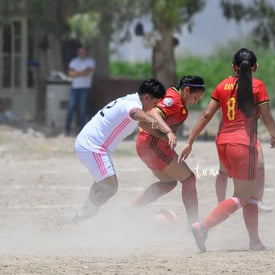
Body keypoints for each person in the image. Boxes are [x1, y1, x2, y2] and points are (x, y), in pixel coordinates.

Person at [179, 48, 275, 252]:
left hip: (223, 143)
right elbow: (267, 116)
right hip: (244, 145)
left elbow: (206, 115)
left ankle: (255, 241)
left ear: (233, 67)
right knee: (242, 196)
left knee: (250, 193)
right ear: (255, 67)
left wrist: (190, 140)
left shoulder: (222, 86)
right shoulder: (257, 86)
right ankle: (202, 228)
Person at [72, 79, 167, 223]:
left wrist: (163, 136)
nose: (153, 108)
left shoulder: (132, 100)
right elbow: (135, 113)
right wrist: (149, 118)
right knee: (110, 186)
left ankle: (85, 212)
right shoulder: (133, 105)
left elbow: (141, 123)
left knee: (102, 182)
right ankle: (86, 213)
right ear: (147, 97)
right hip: (93, 147)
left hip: (88, 143)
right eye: (154, 103)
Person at [130, 75, 205, 227]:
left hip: (149, 146)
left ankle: (131, 210)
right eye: (195, 98)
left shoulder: (177, 100)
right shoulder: (174, 100)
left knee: (169, 183)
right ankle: (194, 224)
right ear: (186, 90)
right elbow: (153, 114)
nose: (195, 102)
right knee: (189, 179)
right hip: (152, 146)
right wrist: (168, 132)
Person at [215, 139, 273, 213]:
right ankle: (221, 205)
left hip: (249, 133)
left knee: (259, 163)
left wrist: (274, 134)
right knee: (224, 170)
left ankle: (258, 202)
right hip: (228, 133)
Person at [65, 46, 95, 135]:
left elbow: (86, 72)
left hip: (85, 88)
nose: (81, 54)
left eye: (83, 52)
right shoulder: (74, 61)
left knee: (83, 109)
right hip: (75, 88)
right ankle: (67, 129)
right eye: (80, 52)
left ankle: (82, 129)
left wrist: (76, 73)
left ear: (86, 53)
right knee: (71, 107)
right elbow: (70, 73)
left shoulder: (90, 61)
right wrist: (80, 73)